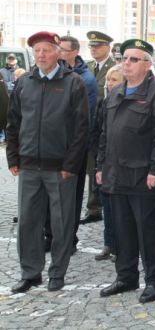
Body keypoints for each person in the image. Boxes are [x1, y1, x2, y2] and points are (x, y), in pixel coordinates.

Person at [97, 39, 155, 304]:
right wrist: (100, 166)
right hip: (117, 175)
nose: (126, 64)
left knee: (147, 232)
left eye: (133, 59)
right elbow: (104, 134)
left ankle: (153, 281)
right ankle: (126, 276)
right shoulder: (117, 91)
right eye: (124, 59)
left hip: (145, 177)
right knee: (122, 230)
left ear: (147, 64)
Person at [6, 31, 89, 293]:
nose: (41, 55)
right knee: (29, 222)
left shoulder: (73, 83)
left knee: (61, 223)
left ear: (58, 52)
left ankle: (57, 273)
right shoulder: (25, 82)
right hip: (29, 166)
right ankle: (30, 273)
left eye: (46, 50)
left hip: (60, 168)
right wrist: (13, 156)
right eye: (37, 50)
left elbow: (80, 129)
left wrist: (70, 165)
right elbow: (13, 122)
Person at [54, 35, 98, 251]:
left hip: (73, 148)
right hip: (54, 147)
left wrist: (76, 149)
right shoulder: (57, 72)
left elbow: (84, 119)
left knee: (71, 196)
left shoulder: (84, 79)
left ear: (73, 52)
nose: (58, 52)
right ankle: (52, 235)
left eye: (62, 49)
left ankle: (68, 238)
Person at [82, 30, 116, 224]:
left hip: (106, 127)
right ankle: (93, 208)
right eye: (92, 46)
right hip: (88, 127)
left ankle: (100, 205)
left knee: (101, 168)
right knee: (89, 168)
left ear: (108, 48)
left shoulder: (115, 68)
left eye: (98, 46)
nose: (94, 49)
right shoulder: (86, 67)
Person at [93, 65, 123, 262]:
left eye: (114, 80)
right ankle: (109, 243)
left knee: (121, 208)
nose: (110, 83)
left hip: (122, 163)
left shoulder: (126, 102)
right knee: (107, 205)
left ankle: (123, 246)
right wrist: (98, 165)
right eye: (109, 80)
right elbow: (100, 133)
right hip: (106, 161)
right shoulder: (105, 102)